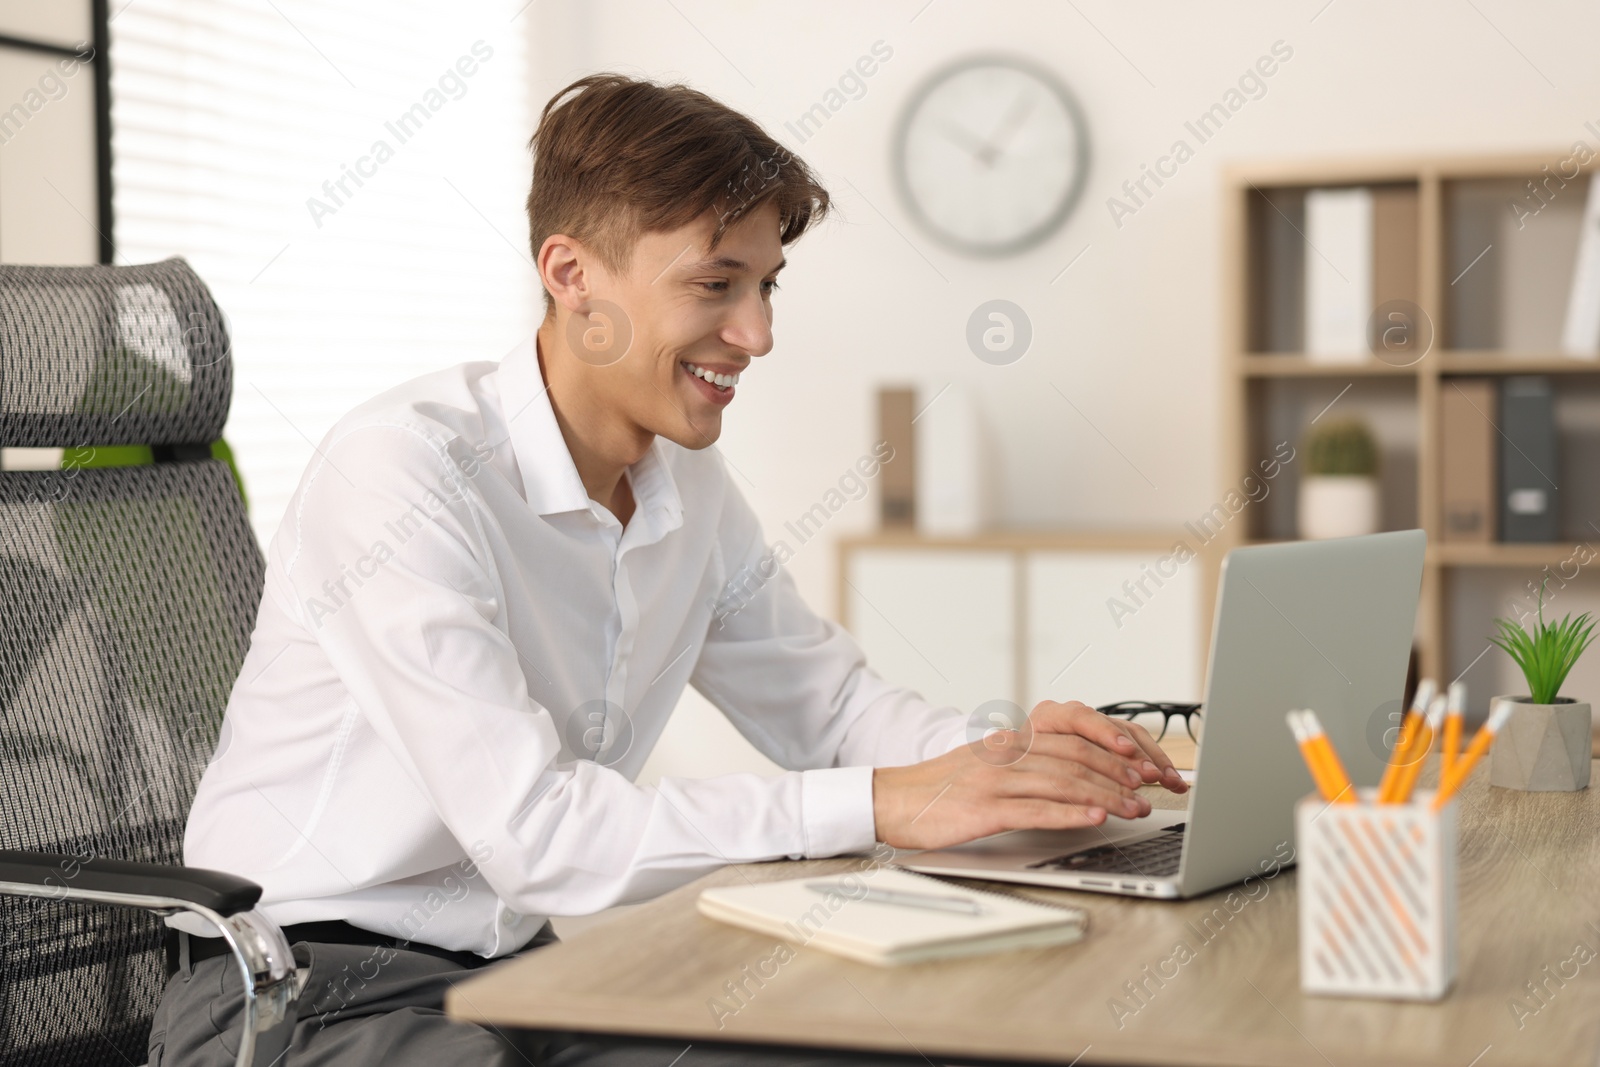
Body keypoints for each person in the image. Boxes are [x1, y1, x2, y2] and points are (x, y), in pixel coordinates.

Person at [149, 72, 1187, 1067]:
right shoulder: (404, 471)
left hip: (519, 977)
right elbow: (540, 834)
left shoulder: (688, 489)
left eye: (767, 285)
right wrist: (884, 801)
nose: (758, 334)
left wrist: (1016, 767)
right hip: (297, 996)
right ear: (571, 277)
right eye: (715, 284)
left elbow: (829, 708)